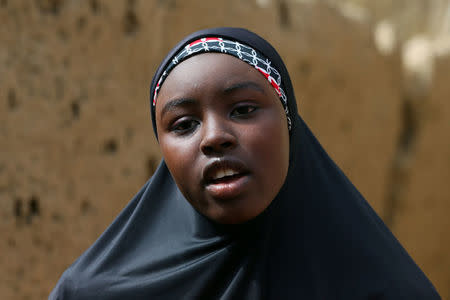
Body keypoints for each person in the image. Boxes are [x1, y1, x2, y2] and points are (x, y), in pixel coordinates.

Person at [50, 27, 441, 299]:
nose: (214, 136)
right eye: (183, 124)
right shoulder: (90, 293)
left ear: (289, 125)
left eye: (242, 109)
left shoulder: (384, 291)